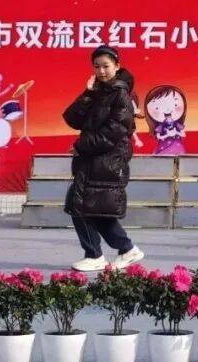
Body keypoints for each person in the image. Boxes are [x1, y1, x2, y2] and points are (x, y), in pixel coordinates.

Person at [63, 45, 144, 272]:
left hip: (107, 162)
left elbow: (113, 132)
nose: (101, 71)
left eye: (106, 66)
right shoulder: (99, 91)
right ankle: (125, 249)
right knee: (91, 209)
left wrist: (80, 145)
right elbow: (72, 119)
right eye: (97, 67)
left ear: (117, 66)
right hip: (92, 161)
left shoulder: (121, 95)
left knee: (83, 207)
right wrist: (87, 94)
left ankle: (96, 254)